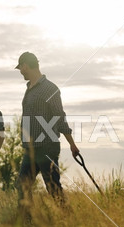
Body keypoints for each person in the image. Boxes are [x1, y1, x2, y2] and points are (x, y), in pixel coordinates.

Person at [15, 52, 80, 207]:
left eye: (21, 68)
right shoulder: (29, 88)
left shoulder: (49, 88)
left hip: (46, 146)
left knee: (52, 186)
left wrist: (72, 144)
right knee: (22, 185)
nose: (21, 72)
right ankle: (28, 222)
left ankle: (67, 217)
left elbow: (59, 116)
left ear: (25, 65)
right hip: (30, 148)